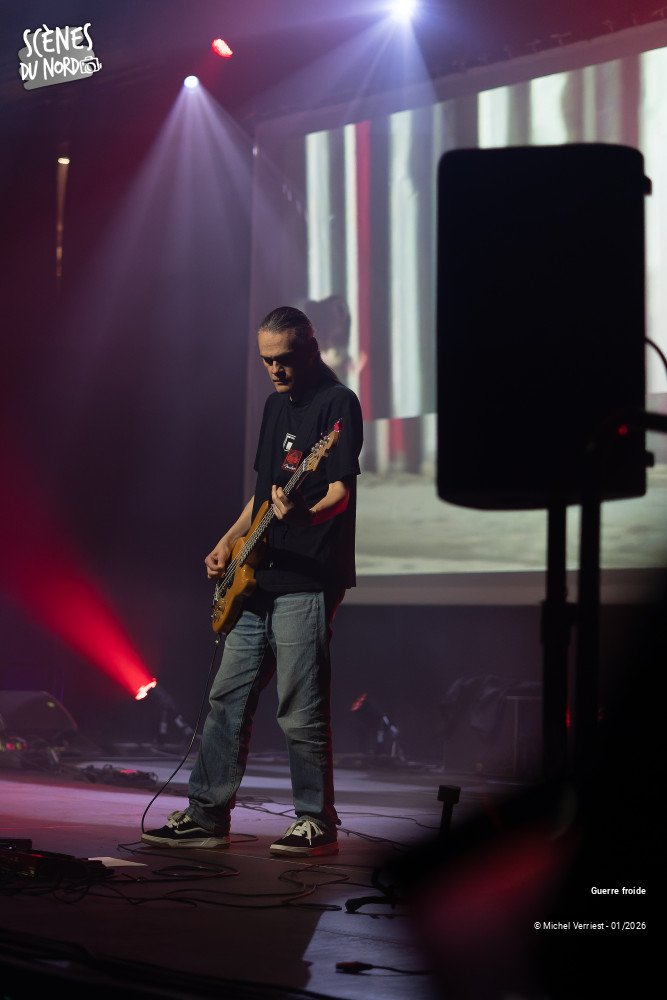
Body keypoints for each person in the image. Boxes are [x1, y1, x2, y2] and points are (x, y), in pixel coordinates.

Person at [142, 306, 363, 857]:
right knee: (226, 699)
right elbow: (264, 495)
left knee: (299, 706)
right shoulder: (272, 406)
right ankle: (206, 815)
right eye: (266, 361)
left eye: (284, 360)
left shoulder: (339, 405)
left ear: (310, 350)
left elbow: (339, 493)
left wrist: (303, 517)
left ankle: (315, 820)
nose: (275, 371)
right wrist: (228, 540)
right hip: (257, 575)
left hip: (308, 580)